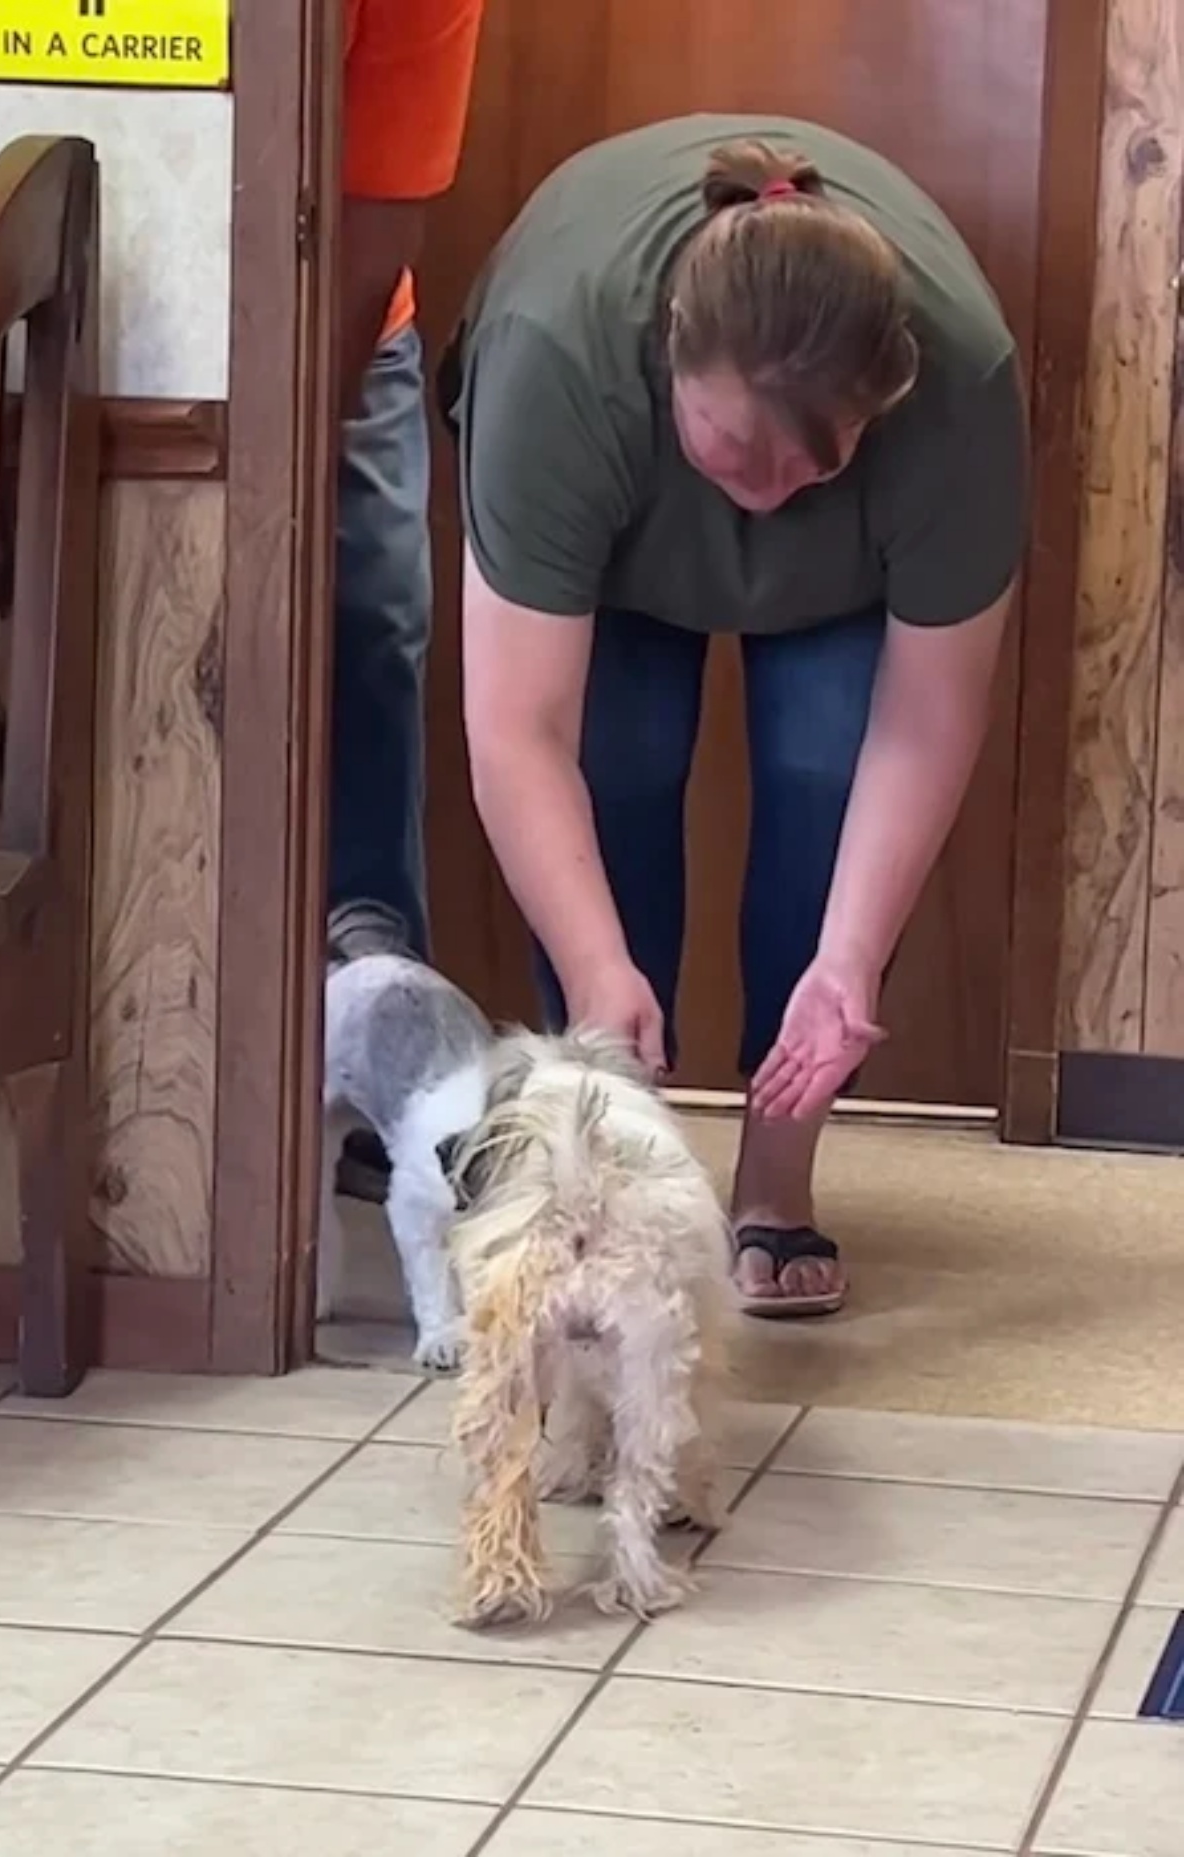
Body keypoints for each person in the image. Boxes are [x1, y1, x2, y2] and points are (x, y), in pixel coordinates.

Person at [440, 115, 1028, 1317]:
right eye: (737, 447)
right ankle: (611, 1163)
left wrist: (849, 963)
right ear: (670, 362)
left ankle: (775, 1178)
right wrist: (603, 972)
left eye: (814, 465)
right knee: (621, 764)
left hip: (843, 585)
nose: (765, 493)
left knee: (823, 775)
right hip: (615, 532)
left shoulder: (961, 394)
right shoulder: (561, 354)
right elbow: (518, 730)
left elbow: (920, 724)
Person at [333, 0, 485, 1201]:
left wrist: (280, 431)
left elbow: (381, 196)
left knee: (372, 626)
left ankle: (379, 1074)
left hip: (338, 307)